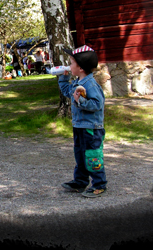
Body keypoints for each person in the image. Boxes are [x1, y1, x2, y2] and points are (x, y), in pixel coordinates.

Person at [58, 45, 107, 198]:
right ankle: (80, 181)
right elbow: (67, 92)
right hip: (79, 126)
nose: (69, 65)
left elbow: (97, 104)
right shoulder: (76, 82)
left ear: (80, 67)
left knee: (92, 155)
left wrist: (81, 102)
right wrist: (64, 78)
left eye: (71, 62)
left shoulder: (90, 85)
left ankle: (99, 185)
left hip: (91, 128)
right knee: (80, 155)